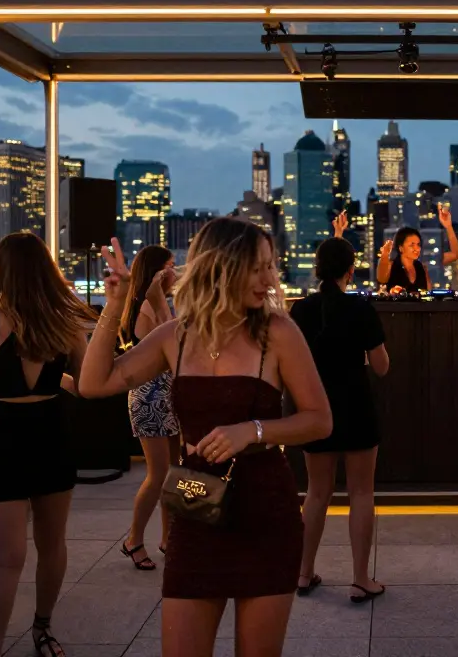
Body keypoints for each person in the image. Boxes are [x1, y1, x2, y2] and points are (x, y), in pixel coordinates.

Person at [79, 219, 331, 657]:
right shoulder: (173, 337)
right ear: (222, 267)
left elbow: (319, 420)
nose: (270, 280)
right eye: (258, 268)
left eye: (271, 267)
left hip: (265, 514)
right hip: (196, 510)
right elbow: (94, 383)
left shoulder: (279, 333)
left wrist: (252, 430)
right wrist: (113, 303)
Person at [0, 232, 95, 657]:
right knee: (53, 545)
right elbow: (86, 386)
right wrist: (58, 380)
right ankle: (43, 630)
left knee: (5, 560)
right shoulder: (64, 324)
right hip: (50, 433)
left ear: (1, 272)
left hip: (2, 439)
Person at [291, 238, 391, 603]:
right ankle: (361, 579)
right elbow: (381, 367)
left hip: (315, 408)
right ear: (351, 269)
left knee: (317, 493)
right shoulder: (360, 309)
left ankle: (303, 573)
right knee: (361, 492)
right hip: (356, 406)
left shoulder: (301, 310)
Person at [116, 245, 180, 570]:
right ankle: (134, 539)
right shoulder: (144, 309)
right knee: (157, 475)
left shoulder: (158, 305)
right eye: (169, 266)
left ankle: (170, 538)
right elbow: (172, 345)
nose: (174, 271)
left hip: (168, 397)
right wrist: (158, 302)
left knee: (174, 472)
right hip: (150, 398)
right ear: (155, 272)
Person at [375, 204, 458, 293]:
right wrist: (385, 254)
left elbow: (456, 254)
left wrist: (448, 226)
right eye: (412, 245)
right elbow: (381, 278)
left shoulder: (422, 266)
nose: (417, 248)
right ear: (401, 248)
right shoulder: (391, 265)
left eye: (418, 244)